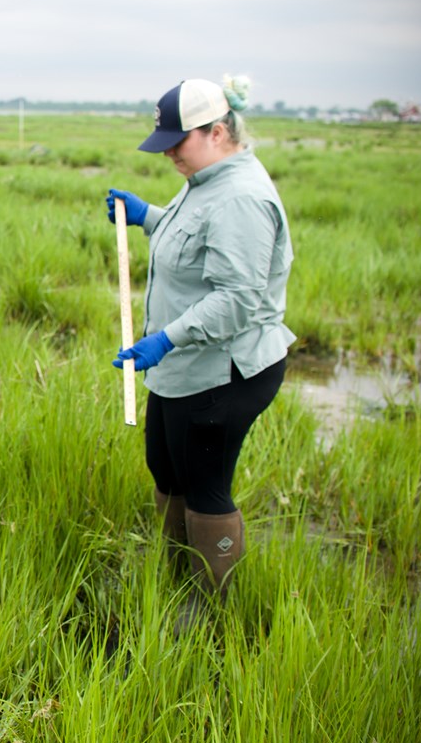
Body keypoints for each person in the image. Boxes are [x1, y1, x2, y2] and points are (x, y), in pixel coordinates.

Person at [105, 76, 294, 610]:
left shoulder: (241, 197)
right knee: (166, 467)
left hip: (222, 371)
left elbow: (239, 298)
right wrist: (149, 217)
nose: (168, 154)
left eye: (177, 143)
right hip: (185, 365)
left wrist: (166, 338)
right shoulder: (207, 180)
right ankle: (175, 581)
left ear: (216, 131)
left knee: (205, 482)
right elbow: (198, 244)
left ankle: (209, 607)